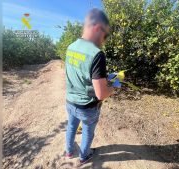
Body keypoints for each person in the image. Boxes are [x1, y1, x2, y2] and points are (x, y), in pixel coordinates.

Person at [64, 8, 114, 166]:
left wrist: (104, 77)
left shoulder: (71, 47)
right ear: (98, 28)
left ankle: (69, 151)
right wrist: (115, 86)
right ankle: (84, 157)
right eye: (105, 35)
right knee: (87, 131)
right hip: (87, 106)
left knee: (71, 126)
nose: (103, 40)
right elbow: (101, 94)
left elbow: (80, 72)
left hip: (70, 101)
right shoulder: (97, 54)